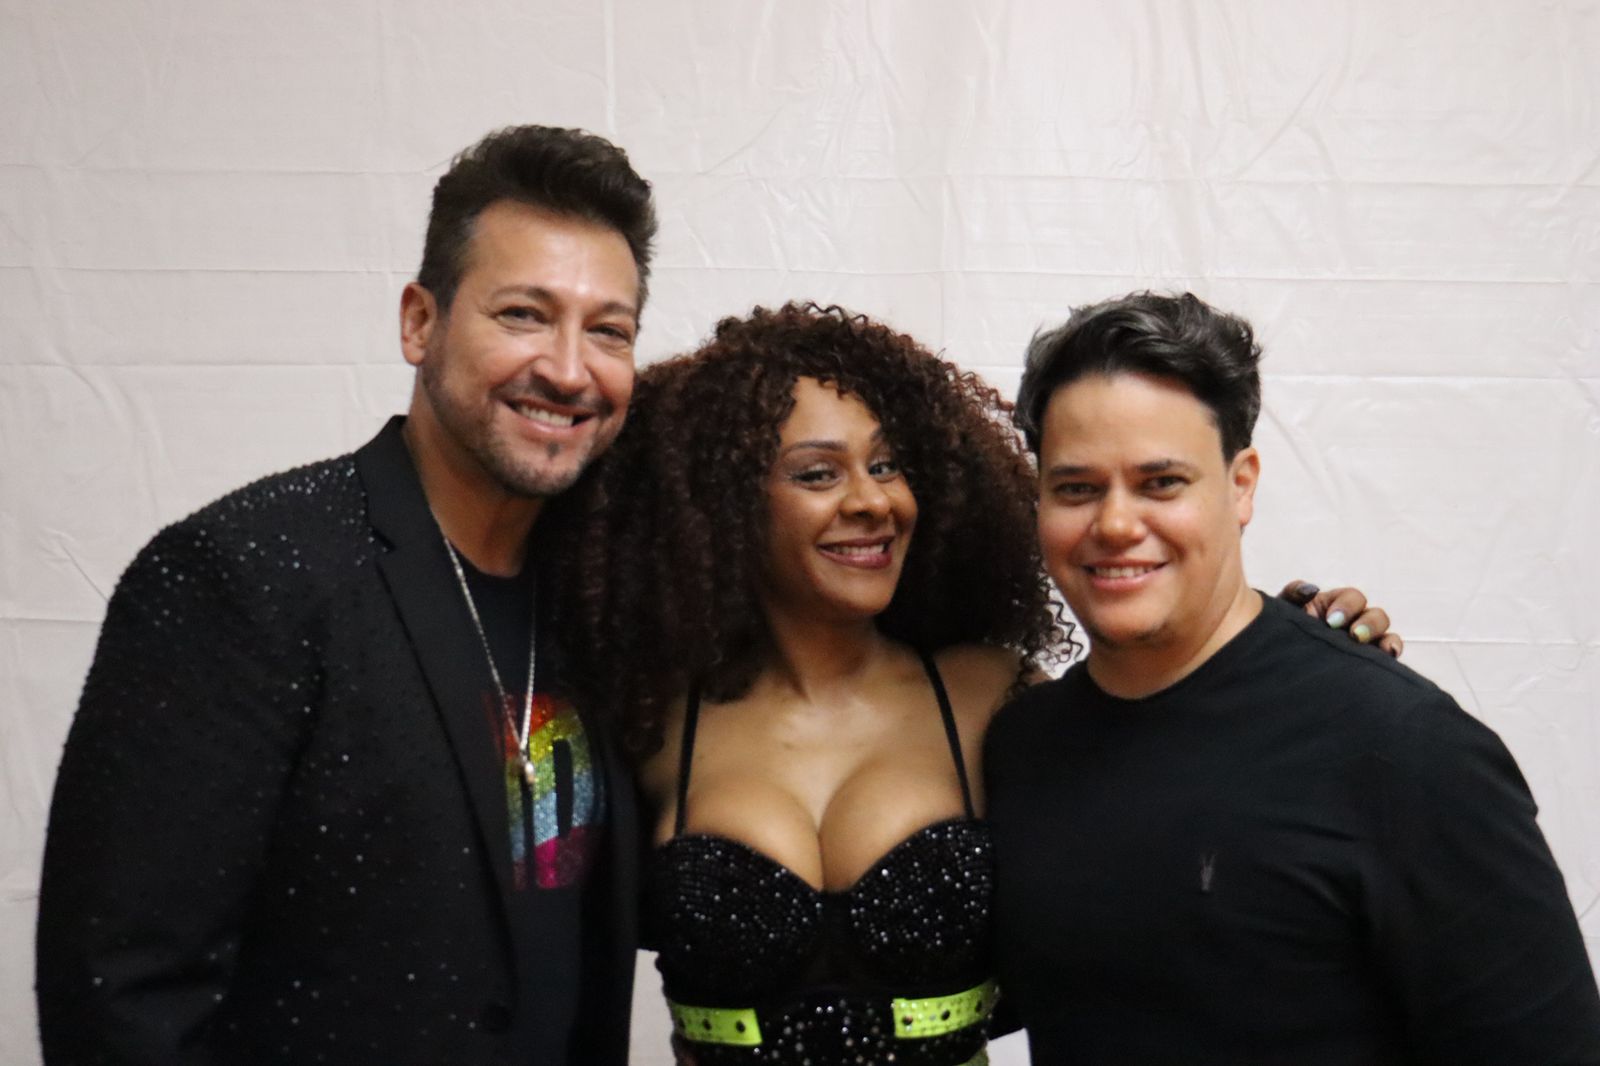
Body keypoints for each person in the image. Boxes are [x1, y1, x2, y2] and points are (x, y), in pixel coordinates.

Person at [562, 301, 1399, 1066]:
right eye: (819, 474)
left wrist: (1301, 651)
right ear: (721, 502)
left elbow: (1174, 779)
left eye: (889, 466)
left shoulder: (990, 697)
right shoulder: (652, 721)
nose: (872, 501)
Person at [36, 125, 656, 1065]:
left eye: (608, 330)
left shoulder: (606, 594)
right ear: (420, 323)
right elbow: (121, 995)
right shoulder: (242, 574)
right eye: (524, 314)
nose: (570, 370)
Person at [985, 291, 1600, 1064]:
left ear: (1241, 484)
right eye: (1077, 487)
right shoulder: (1022, 746)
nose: (1114, 523)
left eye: (1161, 482)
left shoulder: (1404, 750)